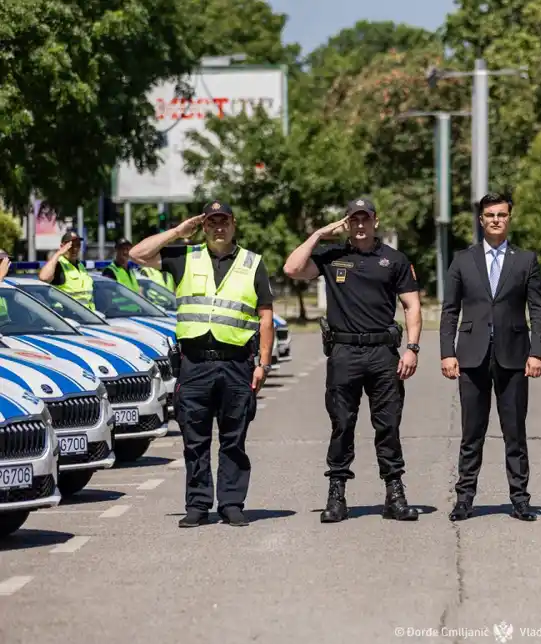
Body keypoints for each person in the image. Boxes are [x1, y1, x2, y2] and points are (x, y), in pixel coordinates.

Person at [130, 201, 275, 528]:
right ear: (204, 225)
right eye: (211, 223)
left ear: (233, 224)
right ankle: (197, 505)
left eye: (223, 222)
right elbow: (138, 254)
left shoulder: (253, 263)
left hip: (237, 363)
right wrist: (179, 231)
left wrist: (263, 364)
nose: (218, 228)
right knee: (194, 441)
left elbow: (265, 317)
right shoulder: (184, 257)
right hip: (194, 364)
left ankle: (232, 504)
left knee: (233, 440)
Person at [283, 197, 422, 523]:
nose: (360, 225)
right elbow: (291, 269)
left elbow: (412, 306)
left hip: (382, 354)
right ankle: (337, 495)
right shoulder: (332, 256)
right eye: (354, 219)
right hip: (344, 353)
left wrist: (412, 348)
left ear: (375, 221)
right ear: (347, 222)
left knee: (388, 425)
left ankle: (394, 494)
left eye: (366, 219)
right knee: (342, 424)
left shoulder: (394, 259)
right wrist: (319, 234)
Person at [439, 193, 541, 522]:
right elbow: (449, 311)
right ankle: (464, 498)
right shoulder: (462, 260)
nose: (496, 219)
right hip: (471, 357)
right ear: (481, 220)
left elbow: (538, 311)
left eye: (502, 214)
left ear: (509, 218)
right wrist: (447, 352)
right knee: (472, 432)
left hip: (514, 356)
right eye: (490, 215)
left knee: (514, 431)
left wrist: (538, 352)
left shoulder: (525, 260)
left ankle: (520, 499)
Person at [38, 231, 94, 309]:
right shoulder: (59, 265)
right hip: (66, 317)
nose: (75, 249)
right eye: (71, 246)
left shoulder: (80, 266)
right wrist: (58, 253)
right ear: (62, 246)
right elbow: (43, 277)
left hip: (86, 316)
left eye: (78, 245)